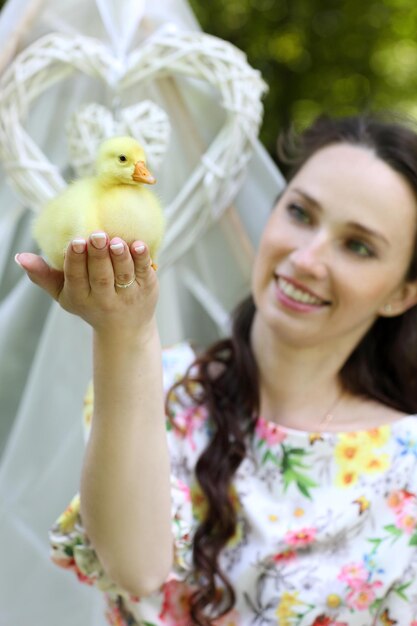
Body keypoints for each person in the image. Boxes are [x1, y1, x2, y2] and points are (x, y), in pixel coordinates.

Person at [15, 114, 417, 626]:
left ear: (403, 293)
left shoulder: (408, 467)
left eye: (358, 246)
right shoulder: (159, 386)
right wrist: (127, 334)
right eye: (300, 213)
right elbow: (137, 568)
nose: (306, 257)